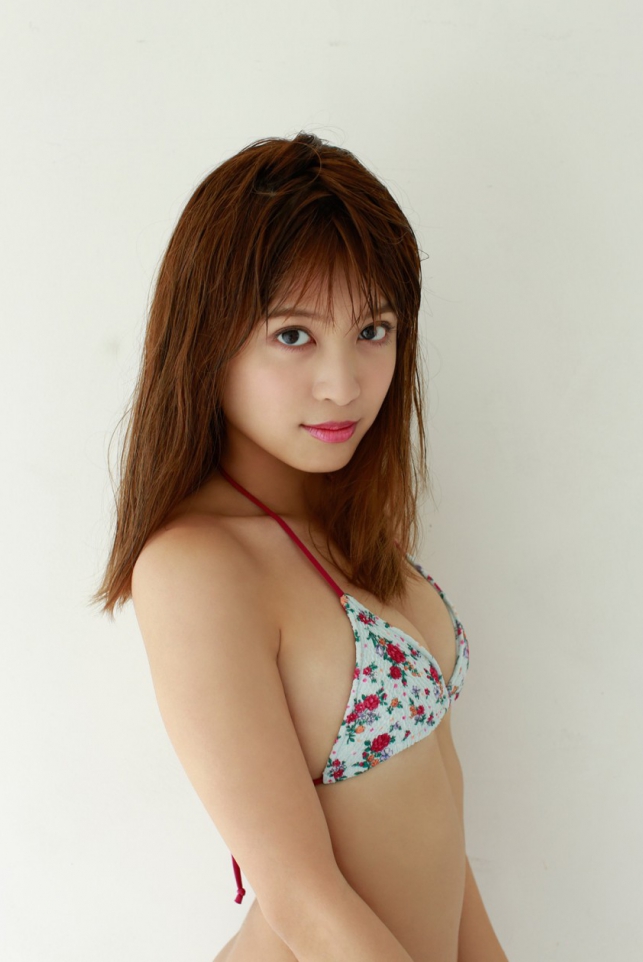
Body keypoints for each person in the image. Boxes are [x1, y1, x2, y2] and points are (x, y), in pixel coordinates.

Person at [91, 132, 509, 962]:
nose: (343, 385)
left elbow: (444, 842)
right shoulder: (196, 565)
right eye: (293, 335)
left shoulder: (356, 529)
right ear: (206, 339)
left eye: (373, 329)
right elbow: (300, 894)